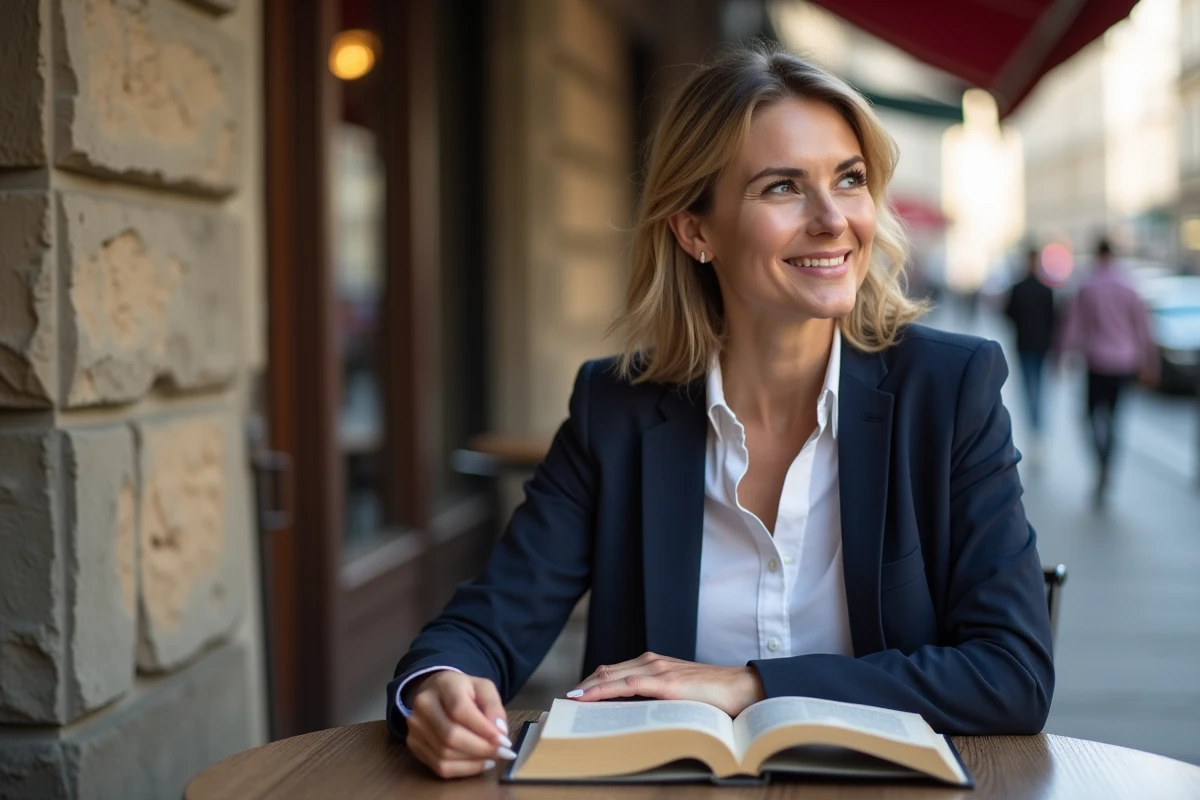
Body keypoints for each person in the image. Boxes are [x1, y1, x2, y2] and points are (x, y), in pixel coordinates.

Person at [388, 46, 1054, 779]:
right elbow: (487, 623)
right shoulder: (618, 409)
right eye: (782, 188)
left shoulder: (949, 389)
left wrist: (752, 686)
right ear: (694, 230)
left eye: (850, 180)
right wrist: (439, 691)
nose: (833, 220)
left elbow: (1011, 672)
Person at [1056, 238, 1158, 506]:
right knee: (1114, 418)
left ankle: (1100, 462)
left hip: (1097, 362)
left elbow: (1073, 324)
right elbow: (1143, 328)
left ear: (1096, 254)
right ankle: (1108, 466)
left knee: (1090, 416)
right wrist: (1150, 363)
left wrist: (1061, 356)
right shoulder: (1129, 286)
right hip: (1125, 362)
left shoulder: (1088, 285)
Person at [1004, 247, 1057, 453]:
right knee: (1039, 386)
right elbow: (1054, 319)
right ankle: (1037, 430)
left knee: (1029, 386)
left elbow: (1008, 314)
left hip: (1025, 344)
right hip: (1041, 345)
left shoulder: (1018, 288)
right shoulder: (1046, 290)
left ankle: (1034, 429)